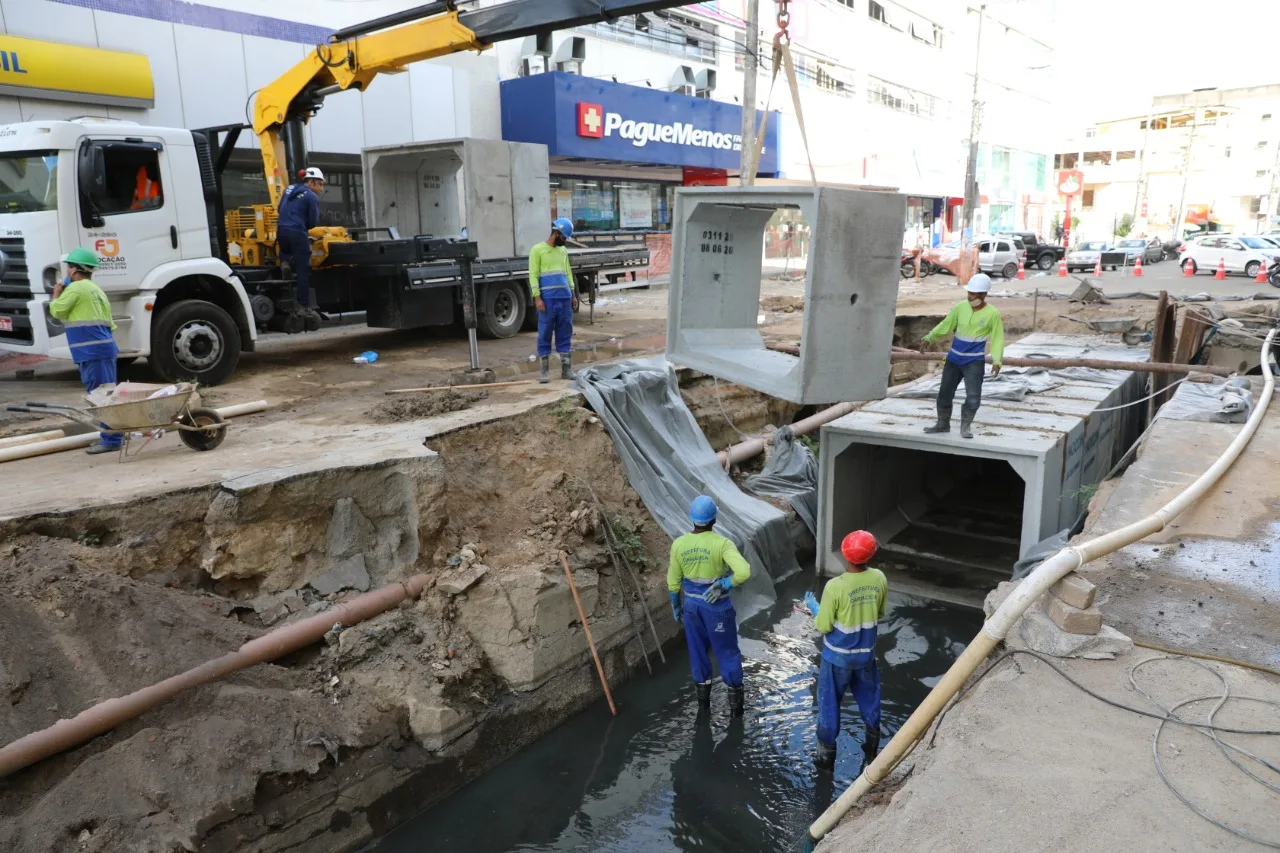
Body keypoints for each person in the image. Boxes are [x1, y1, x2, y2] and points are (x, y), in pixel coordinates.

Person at [803, 530, 887, 770]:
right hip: (865, 657)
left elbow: (824, 626)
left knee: (829, 706)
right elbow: (879, 613)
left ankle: (825, 759)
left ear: (844, 554)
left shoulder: (834, 586)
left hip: (836, 659)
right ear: (871, 554)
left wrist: (814, 608)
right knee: (870, 702)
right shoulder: (879, 578)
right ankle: (871, 752)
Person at [667, 496, 752, 716]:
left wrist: (676, 606)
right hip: (717, 609)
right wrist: (725, 583)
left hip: (692, 609)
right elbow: (743, 572)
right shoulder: (722, 544)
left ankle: (703, 708)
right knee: (727, 654)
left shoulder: (679, 544)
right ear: (714, 519)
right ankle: (736, 712)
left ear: (692, 519)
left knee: (697, 654)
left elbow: (673, 584)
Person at [47, 248, 122, 455]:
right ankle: (114, 435)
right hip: (103, 350)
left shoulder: (77, 289)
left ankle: (112, 439)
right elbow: (110, 325)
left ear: (74, 270)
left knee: (101, 397)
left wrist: (56, 293)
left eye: (69, 266)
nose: (67, 271)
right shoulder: (96, 290)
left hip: (91, 353)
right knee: (107, 394)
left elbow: (57, 311)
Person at [920, 273, 1004, 439]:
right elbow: (946, 324)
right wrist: (930, 337)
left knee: (973, 398)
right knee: (944, 393)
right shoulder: (960, 307)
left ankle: (965, 427)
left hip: (974, 362)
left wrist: (997, 361)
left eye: (973, 294)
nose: (969, 296)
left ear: (983, 295)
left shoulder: (992, 314)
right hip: (953, 360)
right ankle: (942, 424)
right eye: (969, 293)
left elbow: (997, 338)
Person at [528, 218, 580, 383]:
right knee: (545, 332)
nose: (565, 242)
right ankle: (544, 372)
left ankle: (566, 370)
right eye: (564, 238)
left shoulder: (562, 251)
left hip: (564, 298)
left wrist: (573, 294)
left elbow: (568, 273)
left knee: (565, 332)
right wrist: (537, 298)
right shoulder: (537, 250)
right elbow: (533, 275)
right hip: (548, 300)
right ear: (556, 234)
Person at [277, 167, 325, 322]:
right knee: (303, 269)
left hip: (281, 230)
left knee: (285, 250)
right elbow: (313, 221)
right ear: (311, 182)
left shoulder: (288, 189)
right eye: (320, 184)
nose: (321, 188)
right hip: (297, 232)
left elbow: (279, 209)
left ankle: (284, 262)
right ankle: (303, 307)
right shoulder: (311, 196)